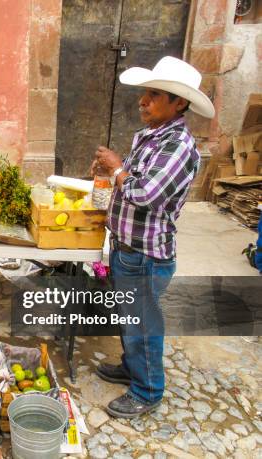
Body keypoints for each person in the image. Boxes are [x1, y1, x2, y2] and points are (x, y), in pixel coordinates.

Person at [91, 56, 215, 418]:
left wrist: (117, 168)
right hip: (127, 248)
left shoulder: (178, 145)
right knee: (131, 318)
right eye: (146, 92)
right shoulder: (151, 137)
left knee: (143, 324)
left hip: (146, 254)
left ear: (179, 104)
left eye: (155, 94)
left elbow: (146, 194)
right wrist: (112, 173)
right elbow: (132, 184)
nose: (143, 100)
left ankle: (147, 392)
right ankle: (132, 369)